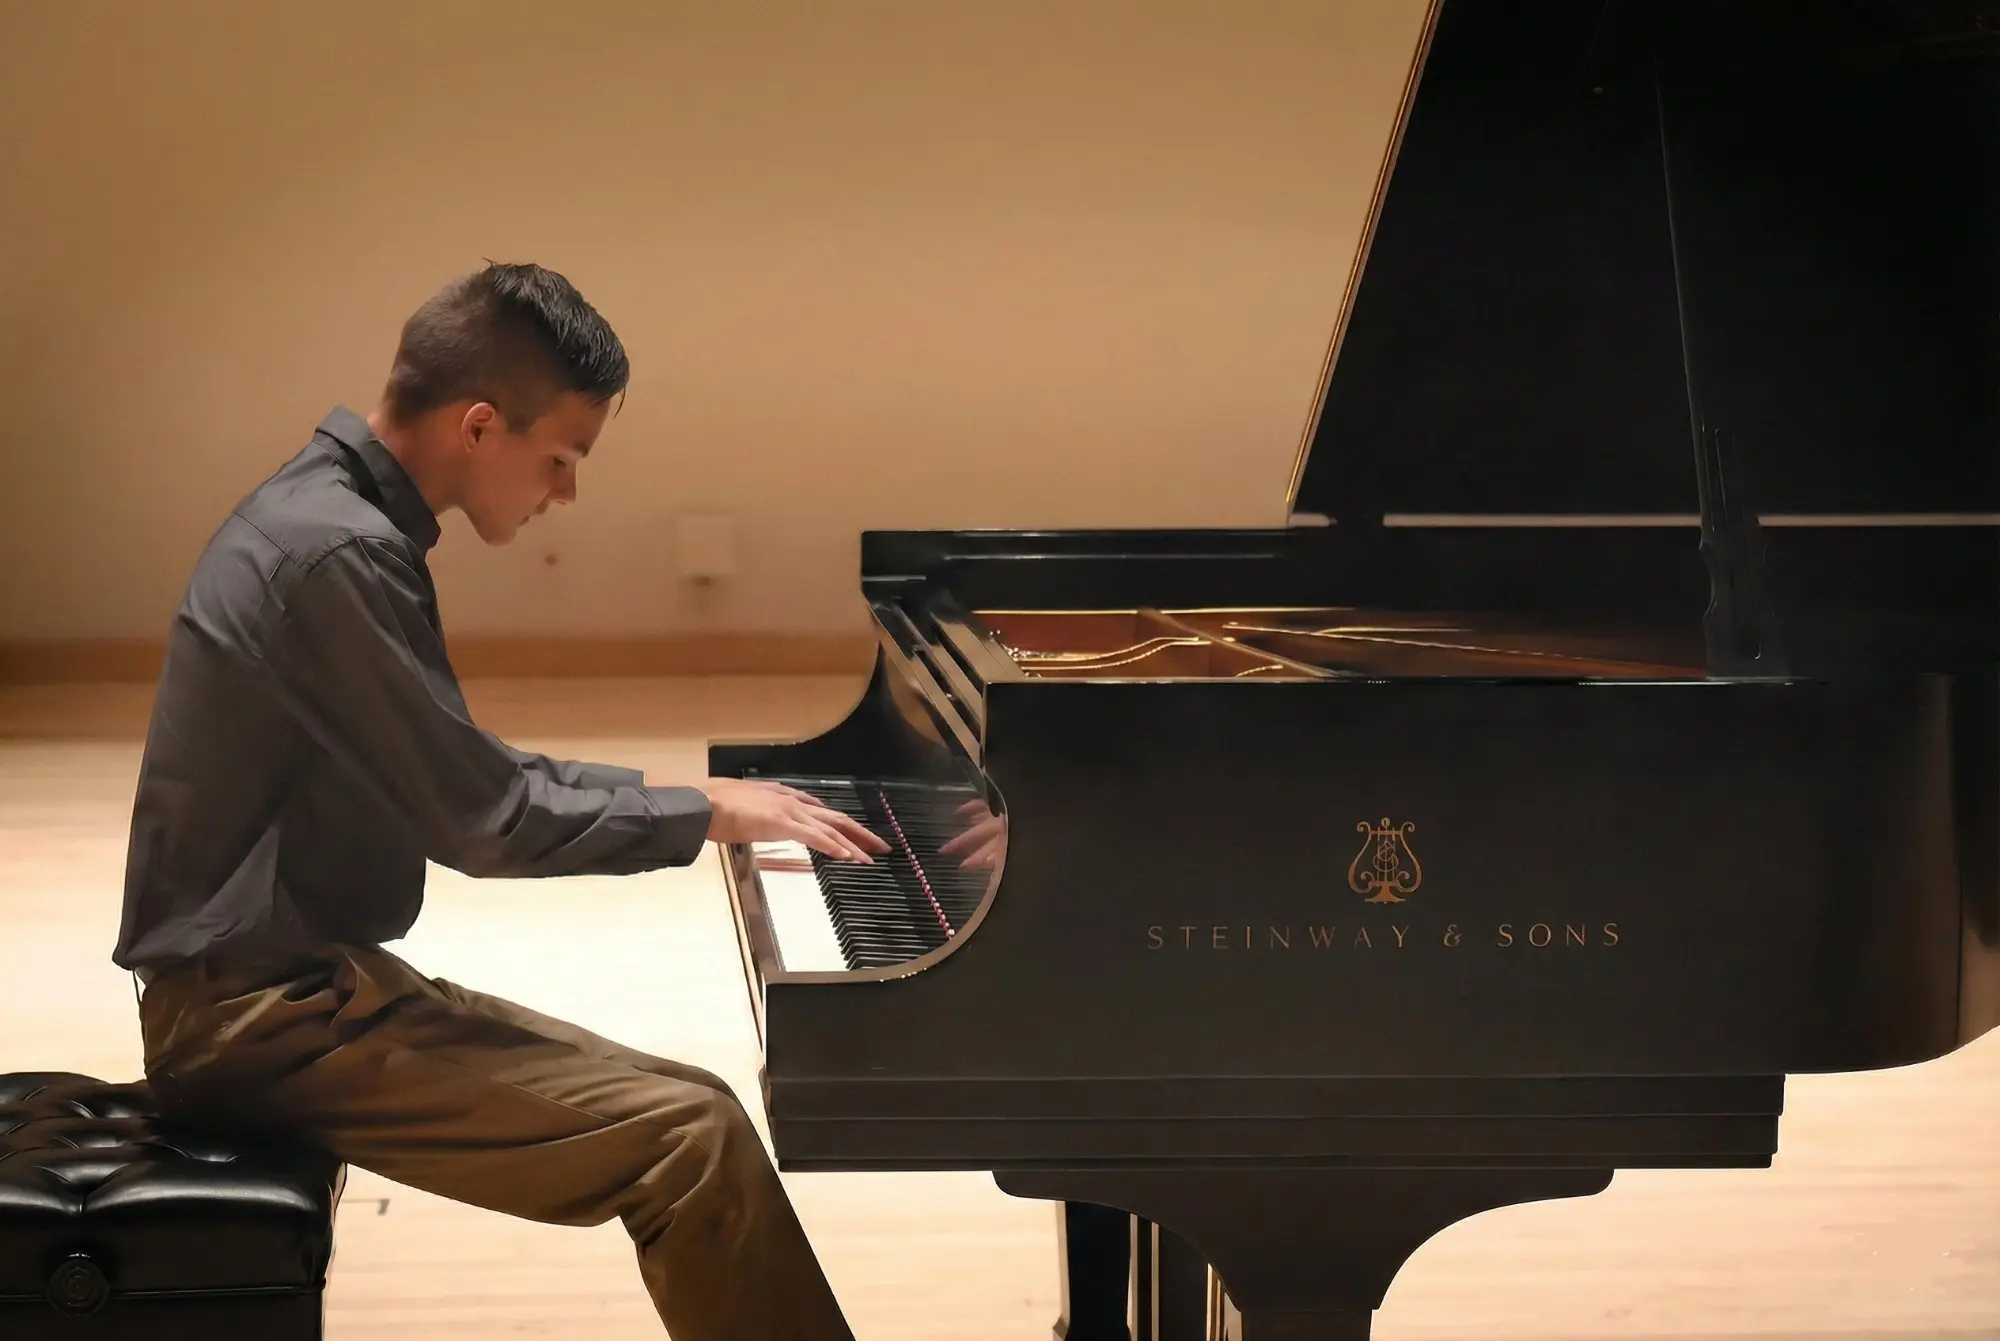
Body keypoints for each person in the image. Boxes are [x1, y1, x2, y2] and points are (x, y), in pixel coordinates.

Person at [111, 261, 889, 1340]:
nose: (565, 493)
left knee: (699, 1113)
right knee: (689, 1141)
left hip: (297, 986)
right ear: (479, 426)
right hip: (254, 1023)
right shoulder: (338, 552)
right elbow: (486, 819)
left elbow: (470, 773)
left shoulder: (325, 515)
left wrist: (688, 796)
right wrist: (700, 814)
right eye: (561, 458)